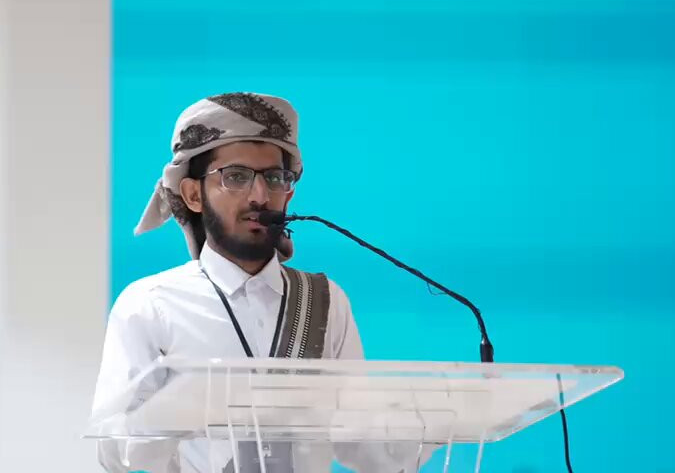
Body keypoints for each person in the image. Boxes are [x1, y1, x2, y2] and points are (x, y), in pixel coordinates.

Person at [90, 92, 434, 472]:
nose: (260, 195)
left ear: (289, 191)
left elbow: (361, 446)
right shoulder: (150, 304)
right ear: (193, 195)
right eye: (236, 177)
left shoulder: (326, 301)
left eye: (274, 178)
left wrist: (431, 423)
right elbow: (111, 448)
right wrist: (176, 409)